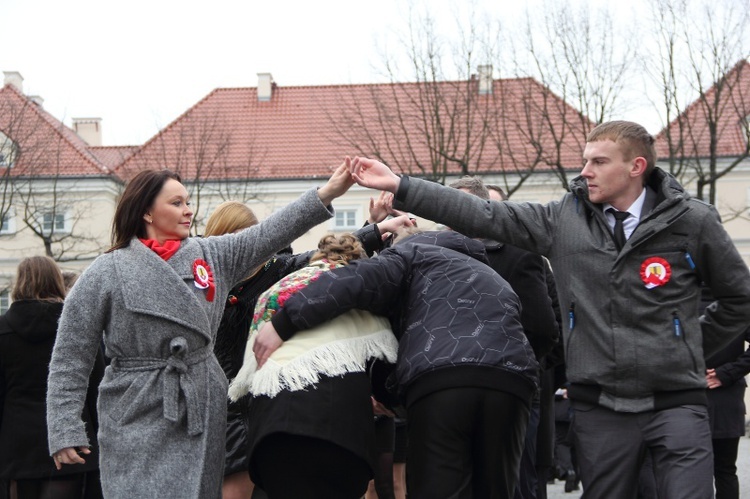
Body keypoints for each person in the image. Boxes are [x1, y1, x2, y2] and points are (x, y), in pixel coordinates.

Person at [347, 120, 750, 498]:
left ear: (635, 166)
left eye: (598, 161)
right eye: (585, 160)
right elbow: (483, 213)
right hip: (599, 405)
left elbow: (739, 298)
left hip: (676, 398)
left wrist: (688, 345)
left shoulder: (693, 221)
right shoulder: (563, 220)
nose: (585, 171)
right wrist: (401, 185)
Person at [46, 159, 355, 498]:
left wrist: (327, 193)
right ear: (147, 212)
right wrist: (65, 428)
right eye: (176, 203)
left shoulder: (211, 255)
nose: (188, 211)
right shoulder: (105, 272)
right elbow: (70, 355)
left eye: (188, 202)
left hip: (200, 401)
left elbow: (269, 232)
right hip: (132, 406)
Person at [254, 228, 540, 498]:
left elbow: (353, 280)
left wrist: (285, 321)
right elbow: (540, 329)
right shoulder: (491, 274)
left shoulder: (410, 254)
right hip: (513, 381)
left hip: (444, 379)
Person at [203, 200, 410, 499]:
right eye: (235, 237)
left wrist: (374, 229)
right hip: (218, 404)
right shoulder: (206, 277)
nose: (245, 246)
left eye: (250, 237)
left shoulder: (277, 271)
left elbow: (327, 260)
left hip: (259, 400)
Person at [449, 176, 559, 499]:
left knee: (514, 483)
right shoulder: (433, 251)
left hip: (512, 389)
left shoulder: (521, 255)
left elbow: (545, 328)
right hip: (454, 391)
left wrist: (521, 367)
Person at [0, 256, 104, 499]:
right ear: (56, 282)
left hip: (17, 446)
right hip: (74, 439)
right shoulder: (79, 327)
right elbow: (96, 389)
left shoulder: (3, 330)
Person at [705, 325, 750, 499]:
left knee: (720, 469)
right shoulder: (739, 303)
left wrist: (727, 373)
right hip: (686, 396)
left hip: (724, 396)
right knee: (724, 470)